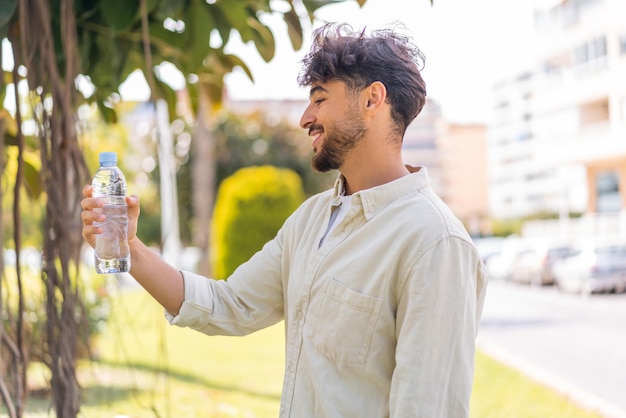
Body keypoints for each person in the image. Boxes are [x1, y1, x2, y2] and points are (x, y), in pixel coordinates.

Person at [81, 23, 487, 418]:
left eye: (320, 98)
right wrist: (128, 247)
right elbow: (228, 305)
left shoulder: (435, 243)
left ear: (372, 100)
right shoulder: (310, 220)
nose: (305, 117)